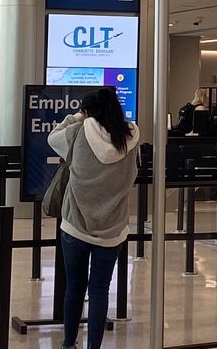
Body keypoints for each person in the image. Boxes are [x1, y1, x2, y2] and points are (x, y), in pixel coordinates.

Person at [47, 87, 140, 349]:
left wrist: (75, 117)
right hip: (112, 230)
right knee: (99, 289)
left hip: (75, 226)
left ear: (88, 112)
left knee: (74, 286)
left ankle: (68, 343)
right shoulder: (130, 137)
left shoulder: (77, 132)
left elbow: (52, 138)